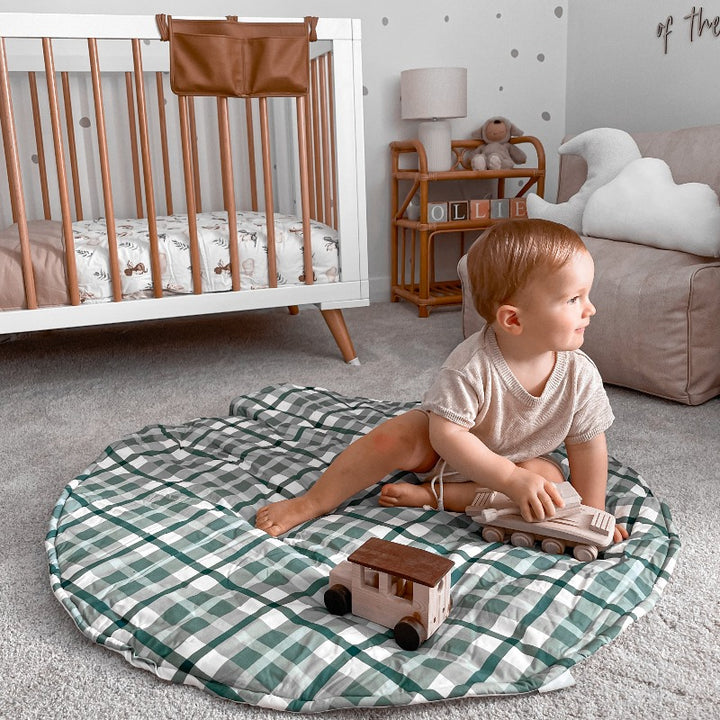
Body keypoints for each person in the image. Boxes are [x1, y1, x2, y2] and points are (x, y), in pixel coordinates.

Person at [256, 218, 628, 543]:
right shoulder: (471, 366)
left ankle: (438, 497)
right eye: (574, 299)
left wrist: (592, 516)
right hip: (445, 450)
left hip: (521, 459)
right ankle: (314, 501)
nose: (590, 309)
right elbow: (447, 436)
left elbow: (588, 446)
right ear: (513, 320)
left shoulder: (580, 374)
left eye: (587, 295)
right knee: (395, 436)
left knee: (549, 484)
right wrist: (508, 479)